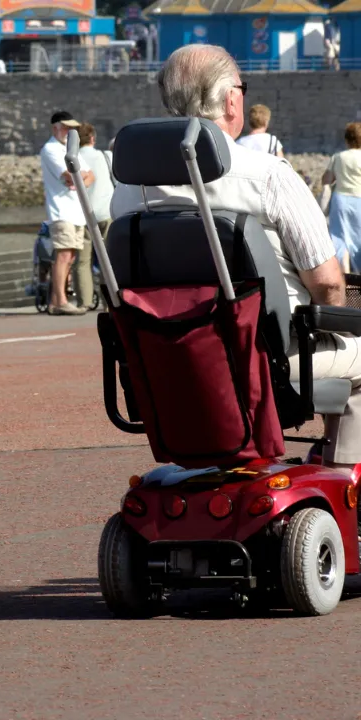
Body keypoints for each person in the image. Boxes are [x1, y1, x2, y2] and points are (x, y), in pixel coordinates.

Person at [111, 45, 358, 475]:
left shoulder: (129, 192)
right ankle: (343, 488)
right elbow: (328, 285)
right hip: (271, 356)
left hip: (167, 355)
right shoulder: (268, 176)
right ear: (230, 99)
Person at [40, 111, 94, 315]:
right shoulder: (51, 149)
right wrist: (78, 178)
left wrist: (78, 178)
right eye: (66, 127)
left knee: (70, 256)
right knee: (63, 256)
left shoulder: (70, 149)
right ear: (55, 127)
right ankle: (60, 300)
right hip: (61, 210)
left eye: (72, 128)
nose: (70, 131)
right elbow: (70, 175)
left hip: (75, 210)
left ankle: (56, 301)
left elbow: (90, 176)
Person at [76, 122, 114, 309]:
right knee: (108, 260)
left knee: (83, 261)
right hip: (105, 213)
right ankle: (110, 302)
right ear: (92, 138)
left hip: (83, 216)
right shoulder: (105, 156)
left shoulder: (73, 159)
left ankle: (85, 302)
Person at [321, 122, 361, 273]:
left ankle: (345, 271)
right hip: (359, 199)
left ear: (347, 139)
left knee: (339, 236)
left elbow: (326, 179)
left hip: (341, 200)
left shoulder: (338, 157)